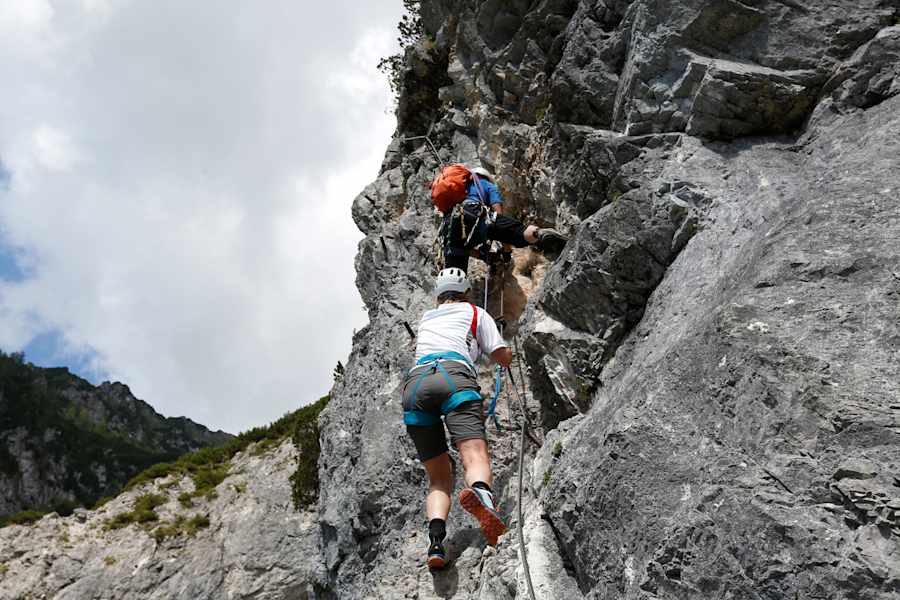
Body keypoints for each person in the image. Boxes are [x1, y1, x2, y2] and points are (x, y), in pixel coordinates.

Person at [401, 267, 512, 569]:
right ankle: (484, 502)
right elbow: (499, 354)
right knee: (473, 452)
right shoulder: (475, 312)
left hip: (416, 386)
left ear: (439, 294)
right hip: (453, 377)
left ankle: (436, 543)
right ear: (466, 291)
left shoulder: (427, 318)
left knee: (438, 478)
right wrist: (509, 356)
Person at [441, 166, 567, 272]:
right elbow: (499, 219)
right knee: (519, 231)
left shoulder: (461, 189)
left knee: (455, 268)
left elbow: (466, 249)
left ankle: (452, 296)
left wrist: (485, 256)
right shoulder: (489, 186)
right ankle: (539, 234)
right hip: (474, 214)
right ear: (487, 178)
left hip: (450, 224)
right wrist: (507, 253)